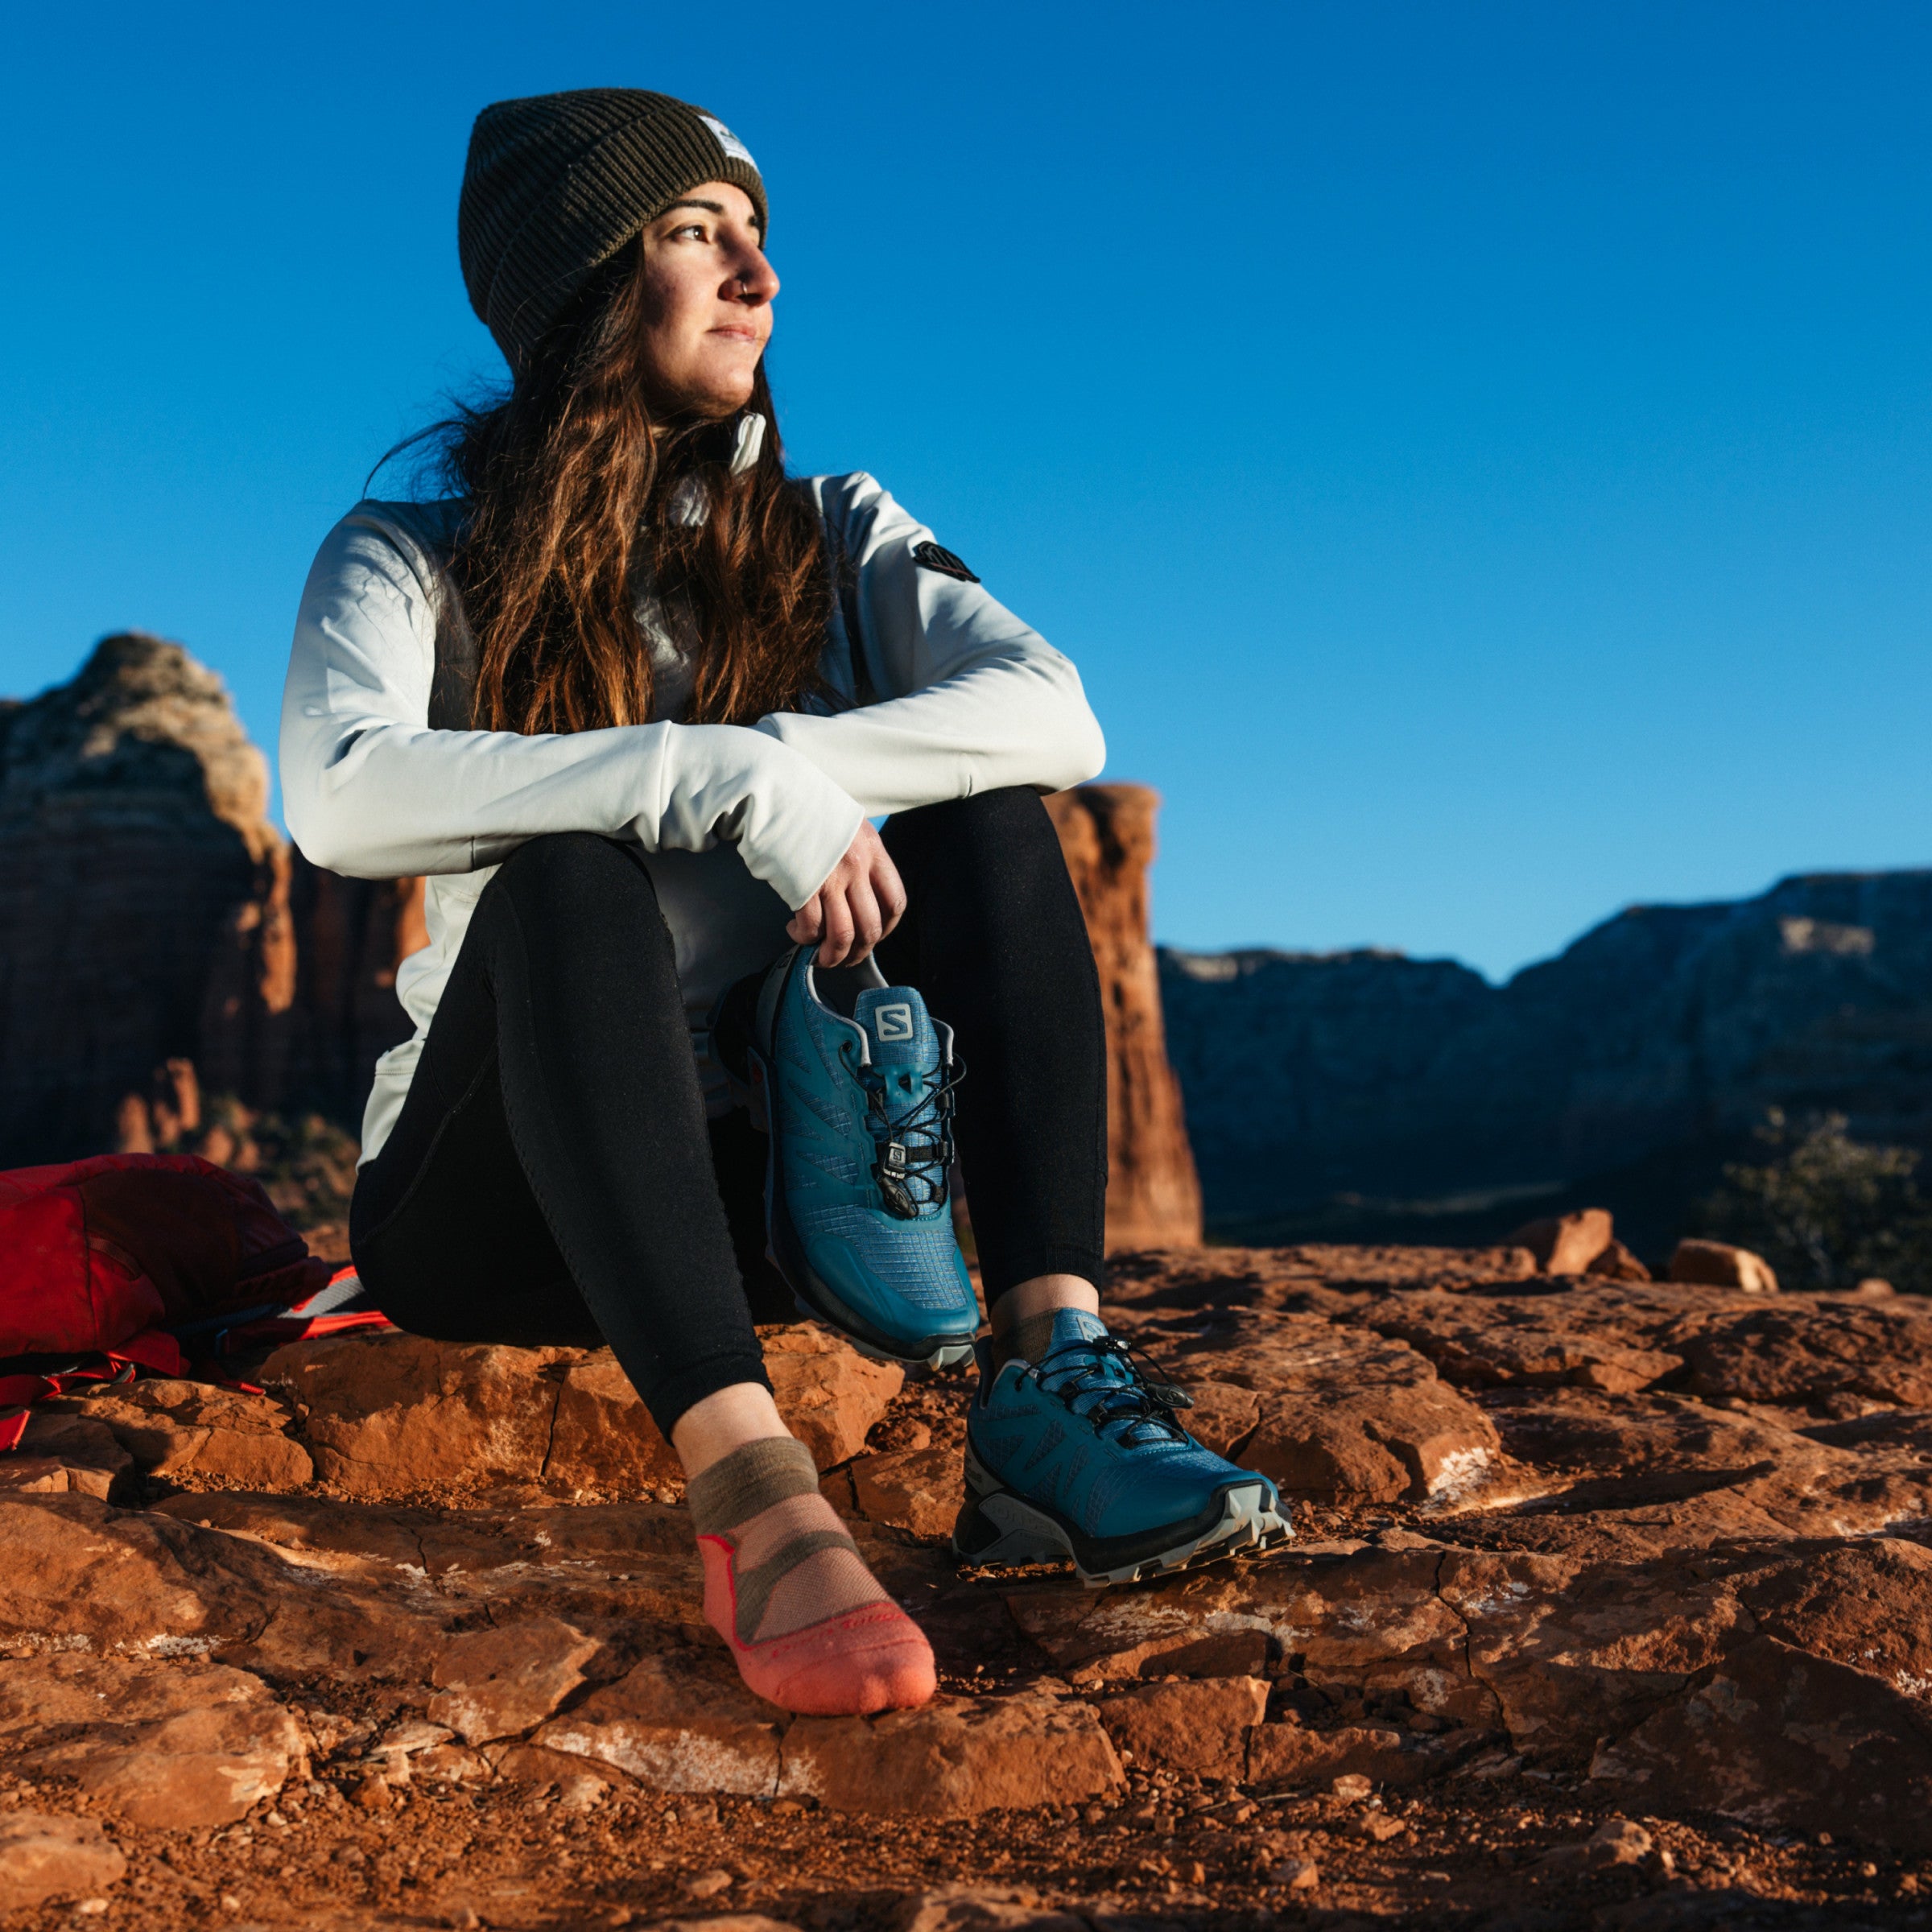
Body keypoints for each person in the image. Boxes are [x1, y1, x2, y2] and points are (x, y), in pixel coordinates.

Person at [280, 88, 1288, 1721]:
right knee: (564, 876)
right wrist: (710, 780)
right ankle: (755, 1500)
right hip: (492, 1213)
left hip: (773, 1201)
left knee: (994, 820)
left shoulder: (837, 530)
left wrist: (786, 752)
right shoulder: (409, 556)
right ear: (581, 284)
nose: (756, 275)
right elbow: (337, 796)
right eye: (696, 235)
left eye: (759, 238)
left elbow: (1057, 712)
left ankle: (1046, 1387)